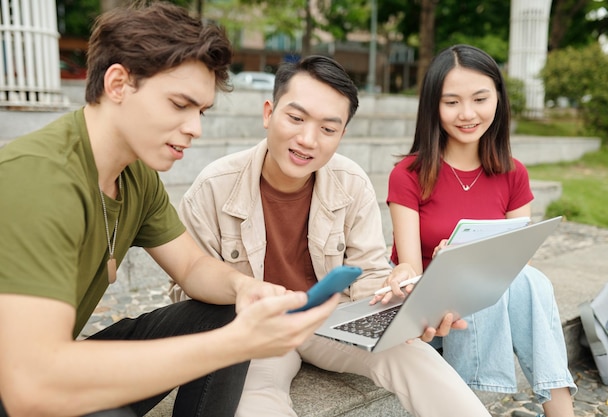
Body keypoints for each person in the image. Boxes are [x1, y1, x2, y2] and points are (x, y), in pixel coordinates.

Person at [0, 3, 340, 417]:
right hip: (18, 381)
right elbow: (29, 387)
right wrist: (239, 343)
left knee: (228, 309)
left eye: (201, 111)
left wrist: (245, 289)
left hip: (47, 362)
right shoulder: (40, 178)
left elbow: (193, 269)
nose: (195, 128)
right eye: (180, 105)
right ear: (119, 84)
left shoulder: (135, 174)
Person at [171, 54, 493, 417]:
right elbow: (187, 291)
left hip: (331, 319)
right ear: (268, 113)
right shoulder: (214, 187)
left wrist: (403, 305)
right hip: (255, 331)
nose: (307, 139)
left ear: (342, 134)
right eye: (295, 118)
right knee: (255, 400)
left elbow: (369, 274)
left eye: (328, 128)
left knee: (415, 356)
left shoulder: (351, 182)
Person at [382, 44, 577, 417]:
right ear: (433, 108)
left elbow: (520, 261)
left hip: (493, 305)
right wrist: (444, 268)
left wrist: (473, 259)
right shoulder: (408, 174)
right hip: (434, 318)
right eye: (452, 102)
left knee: (531, 281)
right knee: (505, 279)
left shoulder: (512, 172)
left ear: (498, 100)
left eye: (480, 99)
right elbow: (409, 269)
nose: (467, 114)